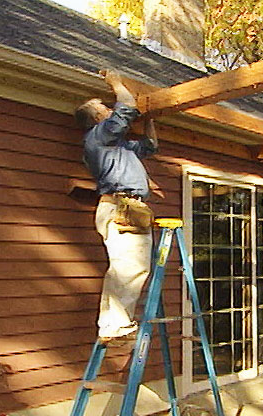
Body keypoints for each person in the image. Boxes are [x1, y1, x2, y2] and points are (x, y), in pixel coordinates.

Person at [74, 69, 159, 342]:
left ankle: (111, 323)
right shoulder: (99, 136)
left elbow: (149, 147)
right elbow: (127, 107)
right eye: (105, 108)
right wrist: (115, 82)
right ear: (97, 118)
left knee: (122, 267)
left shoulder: (115, 144)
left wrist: (150, 120)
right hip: (122, 206)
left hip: (121, 206)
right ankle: (118, 324)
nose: (111, 109)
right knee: (132, 266)